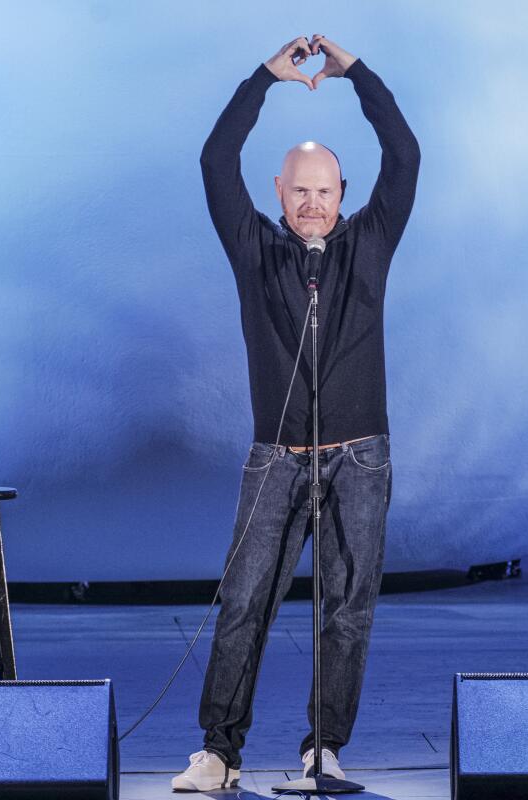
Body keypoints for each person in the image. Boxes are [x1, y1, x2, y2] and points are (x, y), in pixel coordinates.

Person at [172, 34, 420, 792]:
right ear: (279, 192)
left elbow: (404, 156)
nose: (313, 205)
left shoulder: (369, 247)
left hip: (360, 460)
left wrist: (356, 76)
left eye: (325, 191)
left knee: (346, 613)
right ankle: (220, 753)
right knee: (245, 602)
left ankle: (325, 752)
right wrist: (263, 81)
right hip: (277, 460)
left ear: (342, 193)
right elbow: (216, 160)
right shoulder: (256, 252)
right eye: (299, 191)